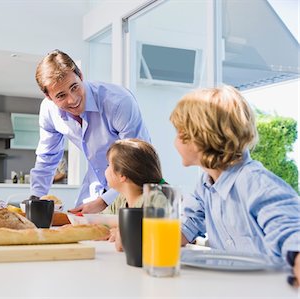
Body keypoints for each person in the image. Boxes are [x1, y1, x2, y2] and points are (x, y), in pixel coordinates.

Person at [169, 85, 300, 286]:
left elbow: (292, 234)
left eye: (178, 133)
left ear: (199, 137)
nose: (174, 143)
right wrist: (139, 239)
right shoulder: (205, 186)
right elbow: (186, 228)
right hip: (230, 288)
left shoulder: (255, 182)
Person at [30, 49, 151, 213]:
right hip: (92, 190)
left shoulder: (118, 102)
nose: (72, 100)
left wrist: (104, 201)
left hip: (132, 189)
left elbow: (137, 162)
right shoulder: (49, 111)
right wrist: (36, 199)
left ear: (80, 76)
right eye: (61, 95)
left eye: (74, 87)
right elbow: (47, 157)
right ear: (49, 97)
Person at [100, 138, 167, 251]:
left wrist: (121, 232)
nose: (105, 170)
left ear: (122, 175)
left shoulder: (154, 200)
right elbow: (102, 222)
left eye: (108, 165)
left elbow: (154, 238)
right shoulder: (121, 199)